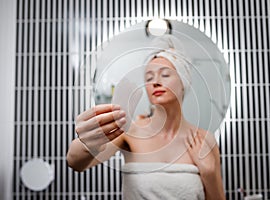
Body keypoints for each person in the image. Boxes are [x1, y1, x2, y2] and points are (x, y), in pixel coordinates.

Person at [67, 35, 225, 200]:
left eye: (165, 75)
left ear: (183, 81)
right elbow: (75, 162)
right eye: (149, 77)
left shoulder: (204, 140)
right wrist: (89, 141)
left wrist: (209, 173)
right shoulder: (130, 132)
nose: (155, 82)